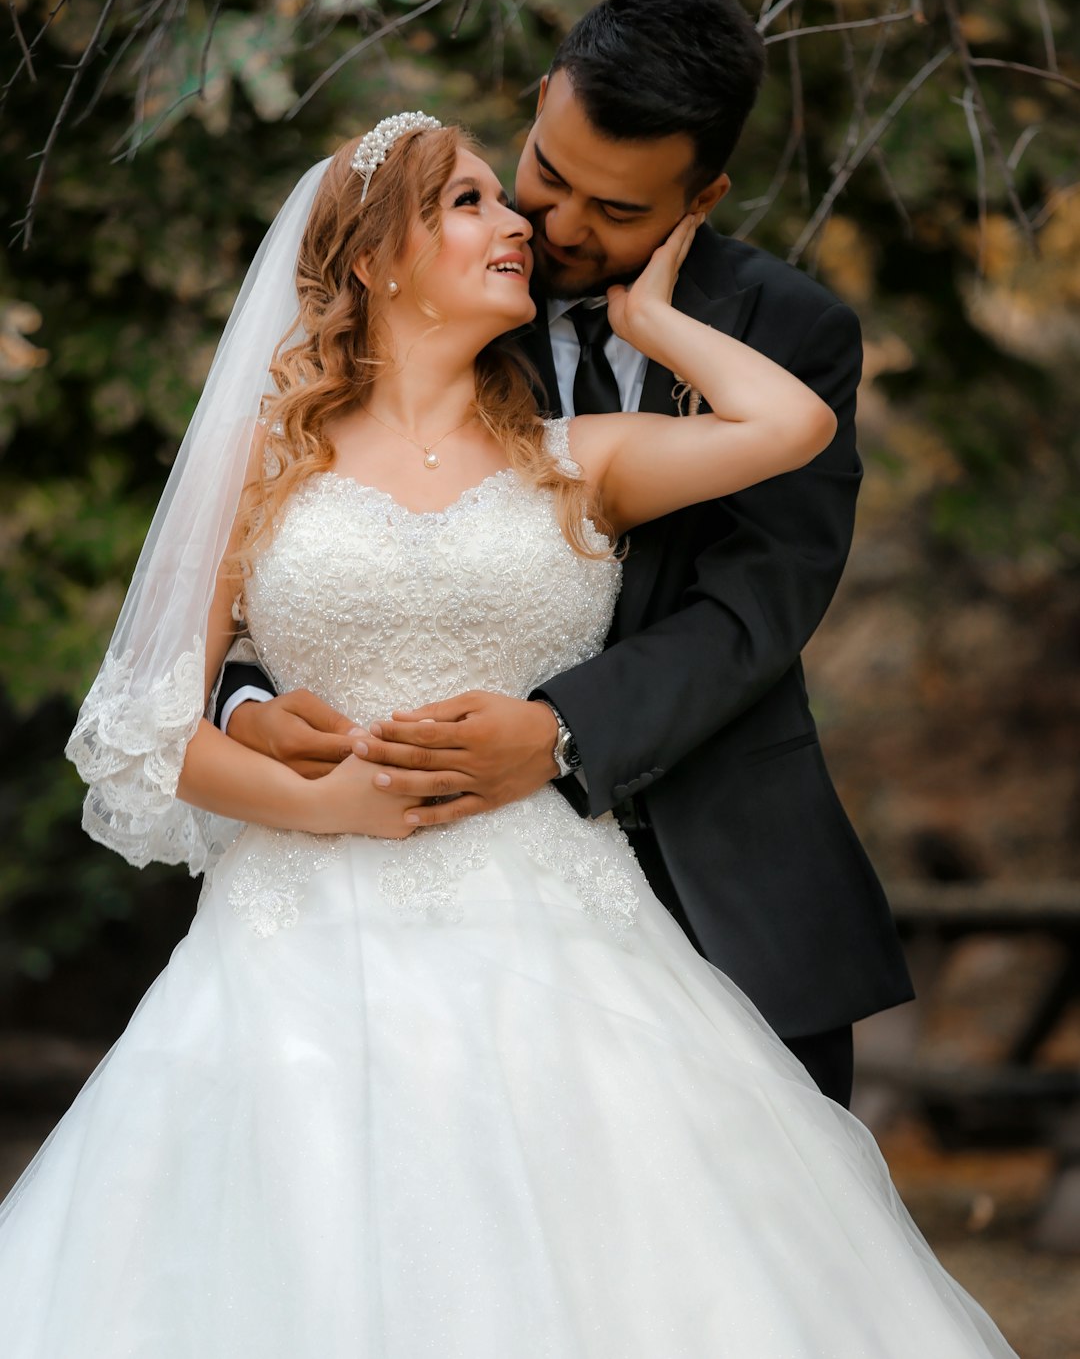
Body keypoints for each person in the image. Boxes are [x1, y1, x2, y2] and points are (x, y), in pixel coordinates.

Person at [0, 115, 1016, 1356]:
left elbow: (792, 428)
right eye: (471, 204)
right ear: (376, 258)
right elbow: (139, 735)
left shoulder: (568, 461)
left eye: (501, 199)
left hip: (556, 927)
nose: (518, 225)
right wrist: (328, 807)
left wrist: (656, 321)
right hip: (294, 943)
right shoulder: (267, 460)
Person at [216, 0, 913, 1107]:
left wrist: (557, 733)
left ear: (705, 194)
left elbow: (756, 609)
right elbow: (293, 545)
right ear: (542, 101)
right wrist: (245, 702)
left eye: (620, 212)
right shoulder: (444, 284)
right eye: (549, 174)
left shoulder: (790, 333)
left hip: (715, 869)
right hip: (413, 900)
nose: (557, 228)